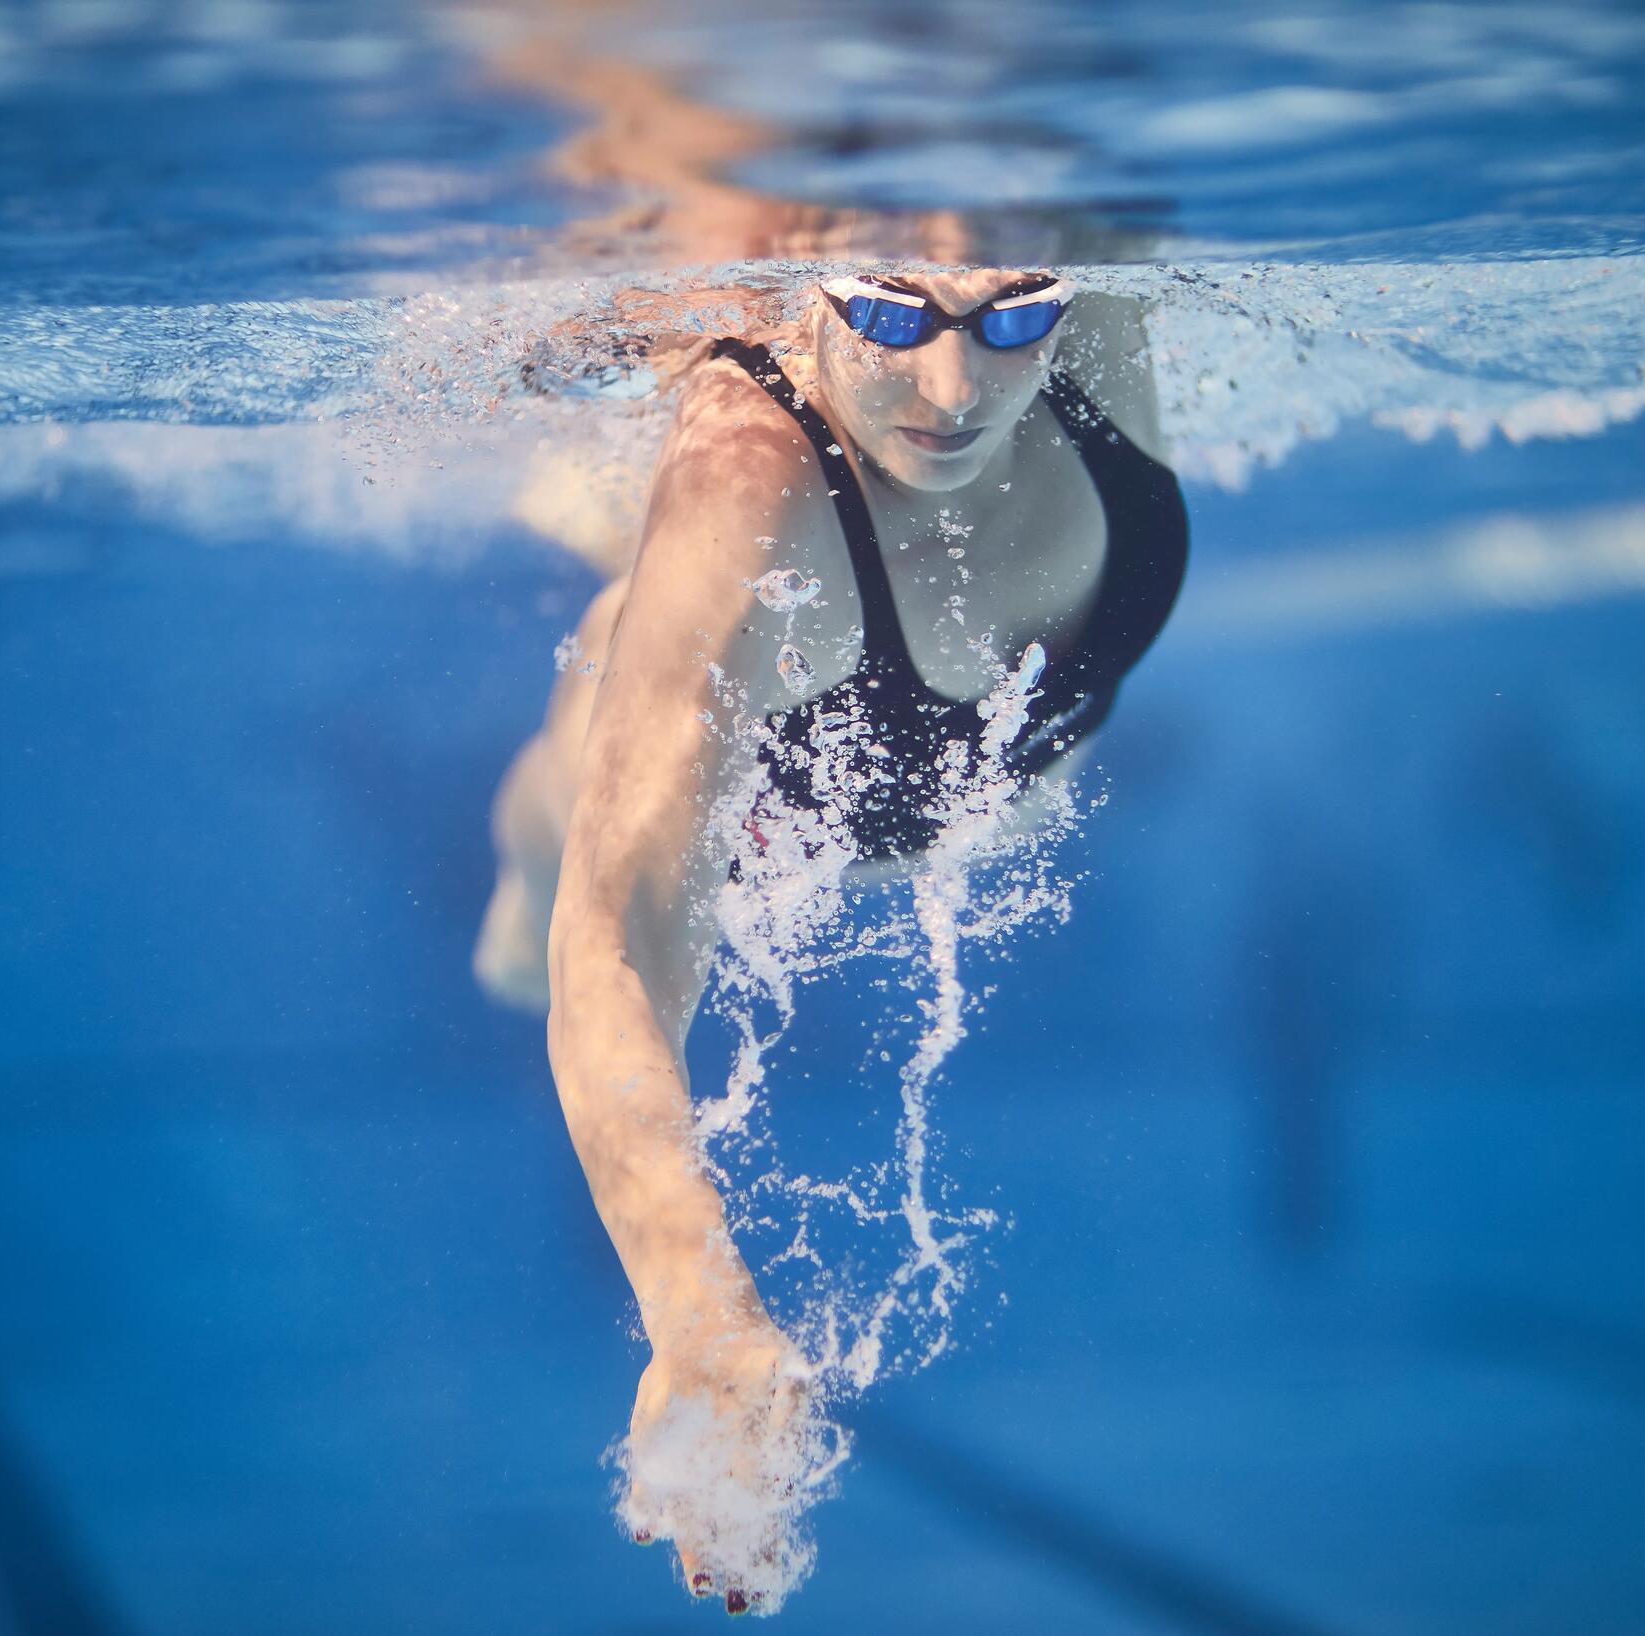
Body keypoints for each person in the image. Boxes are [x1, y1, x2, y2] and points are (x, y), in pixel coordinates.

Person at [474, 262, 1188, 1610]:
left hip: (987, 778)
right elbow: (619, 935)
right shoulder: (748, 484)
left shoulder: (1086, 245)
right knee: (564, 832)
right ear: (813, 289)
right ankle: (531, 823)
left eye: (1014, 314)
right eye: (890, 310)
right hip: (780, 783)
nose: (953, 386)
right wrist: (695, 1310)